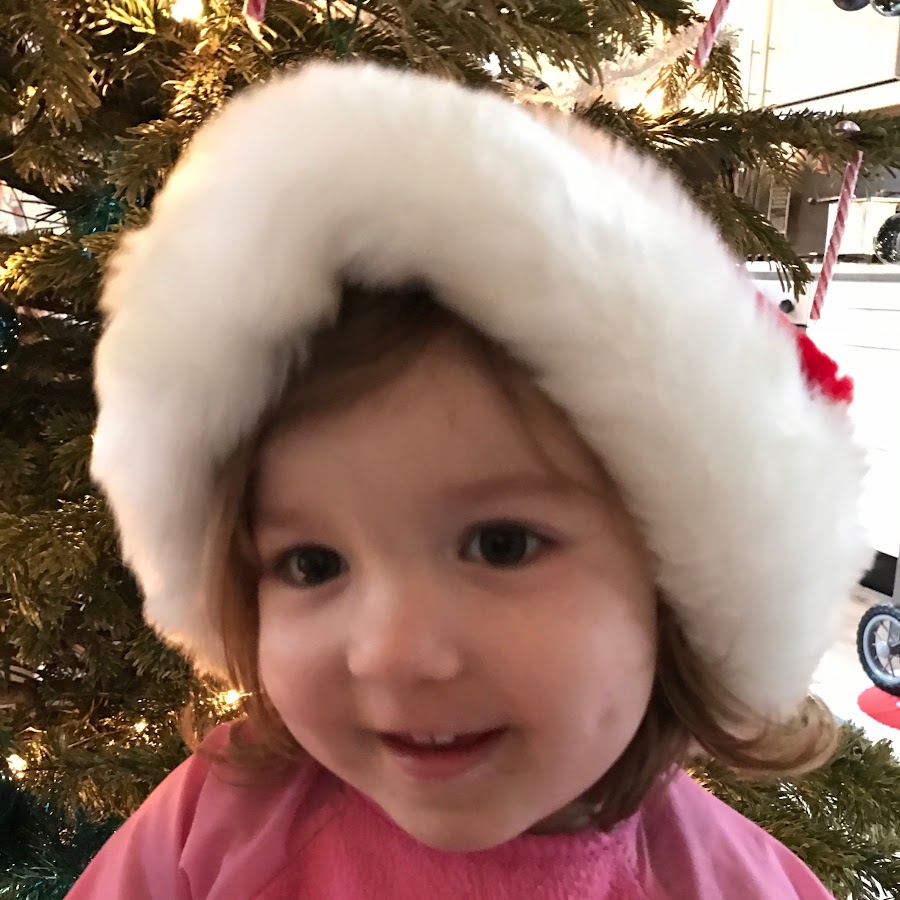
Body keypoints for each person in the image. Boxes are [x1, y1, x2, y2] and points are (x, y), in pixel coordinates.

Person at [70, 61, 869, 899]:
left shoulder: (733, 885)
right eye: (312, 564)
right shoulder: (212, 829)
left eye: (500, 544)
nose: (391, 653)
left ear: (678, 586)